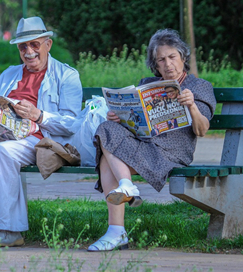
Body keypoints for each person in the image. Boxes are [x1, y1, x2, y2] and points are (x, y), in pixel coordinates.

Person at [0, 17, 83, 248]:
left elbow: (72, 124)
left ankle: (11, 230)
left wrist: (39, 115)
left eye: (35, 44)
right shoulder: (8, 75)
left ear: (48, 45)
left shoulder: (67, 75)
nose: (29, 51)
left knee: (3, 152)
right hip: (4, 136)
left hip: (40, 140)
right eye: (23, 47)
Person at [87, 29, 216, 252]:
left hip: (172, 153)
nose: (168, 64)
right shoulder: (148, 84)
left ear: (183, 57)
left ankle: (116, 230)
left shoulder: (198, 87)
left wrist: (192, 105)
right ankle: (126, 188)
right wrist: (119, 117)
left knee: (106, 160)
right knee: (106, 127)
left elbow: (202, 129)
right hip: (144, 145)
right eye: (161, 60)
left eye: (172, 57)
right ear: (155, 65)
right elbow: (134, 122)